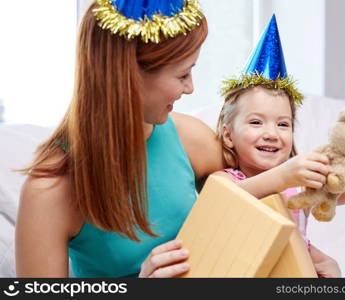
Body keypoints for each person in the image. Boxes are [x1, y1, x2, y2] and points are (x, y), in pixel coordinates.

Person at [16, 0, 224, 278]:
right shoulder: (49, 191)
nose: (190, 88)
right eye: (183, 74)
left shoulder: (192, 140)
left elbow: (255, 206)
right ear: (127, 78)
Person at [213, 14, 345, 277]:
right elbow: (220, 205)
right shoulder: (225, 181)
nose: (272, 133)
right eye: (257, 122)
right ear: (228, 136)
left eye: (283, 125)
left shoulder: (297, 191)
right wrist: (283, 176)